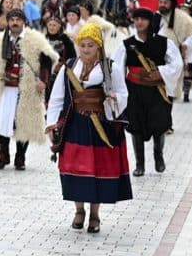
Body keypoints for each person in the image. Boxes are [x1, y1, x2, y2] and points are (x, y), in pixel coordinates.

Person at [45, 23, 131, 233]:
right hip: (74, 125)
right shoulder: (69, 67)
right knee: (75, 168)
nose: (85, 49)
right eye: (82, 45)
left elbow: (123, 94)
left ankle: (94, 214)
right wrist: (52, 123)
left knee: (97, 169)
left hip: (100, 125)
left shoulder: (110, 68)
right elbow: (57, 98)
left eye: (90, 45)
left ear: (98, 46)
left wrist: (113, 99)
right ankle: (79, 210)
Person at [0, 8, 58, 170]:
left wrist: (43, 80)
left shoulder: (35, 40)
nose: (15, 22)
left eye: (18, 20)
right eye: (12, 20)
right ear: (8, 22)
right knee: (0, 123)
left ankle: (20, 157)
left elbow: (47, 60)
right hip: (4, 88)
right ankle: (3, 155)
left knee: (24, 124)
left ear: (23, 22)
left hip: (26, 88)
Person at [116, 7, 181, 176]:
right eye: (136, 19)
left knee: (158, 125)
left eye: (143, 19)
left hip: (156, 91)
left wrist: (161, 73)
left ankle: (158, 158)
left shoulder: (163, 42)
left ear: (150, 21)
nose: (139, 22)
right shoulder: (126, 44)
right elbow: (116, 68)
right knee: (135, 126)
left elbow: (177, 63)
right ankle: (140, 164)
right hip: (135, 92)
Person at [156, 0, 192, 102]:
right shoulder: (156, 16)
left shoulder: (182, 17)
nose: (162, 5)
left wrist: (186, 44)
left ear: (172, 4)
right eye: (160, 2)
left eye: (165, 2)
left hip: (174, 55)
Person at [44, 17, 76, 88]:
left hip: (61, 72)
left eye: (54, 25)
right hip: (46, 73)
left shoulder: (66, 40)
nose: (51, 27)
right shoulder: (43, 39)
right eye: (50, 25)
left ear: (59, 27)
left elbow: (72, 57)